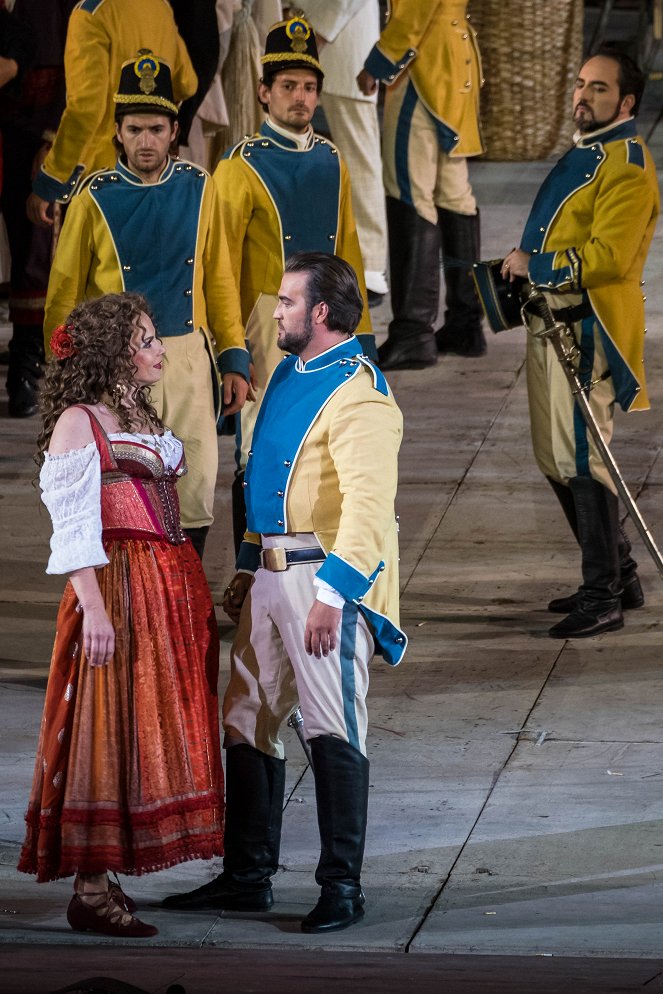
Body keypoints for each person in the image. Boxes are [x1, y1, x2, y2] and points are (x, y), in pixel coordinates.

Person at [163, 252, 406, 934]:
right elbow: (260, 480)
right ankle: (247, 877)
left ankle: (342, 889)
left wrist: (335, 596)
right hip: (271, 577)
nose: (274, 312)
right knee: (246, 722)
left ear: (320, 313)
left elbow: (367, 507)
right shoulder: (290, 374)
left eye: (287, 302)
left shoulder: (360, 394)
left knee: (332, 728)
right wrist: (246, 567)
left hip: (321, 580)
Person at [17, 292, 225, 938]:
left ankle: (105, 878)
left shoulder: (134, 409)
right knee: (103, 727)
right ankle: (87, 884)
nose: (159, 348)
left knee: (145, 725)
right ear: (114, 352)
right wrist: (95, 610)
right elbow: (73, 528)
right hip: (119, 584)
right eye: (145, 340)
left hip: (168, 585)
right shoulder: (81, 422)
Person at [43, 51, 250, 558]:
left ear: (174, 129)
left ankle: (187, 589)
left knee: (197, 481)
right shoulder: (94, 196)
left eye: (156, 129)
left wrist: (234, 358)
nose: (145, 141)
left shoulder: (200, 187)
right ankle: (138, 597)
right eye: (134, 129)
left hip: (187, 358)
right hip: (117, 366)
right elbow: (64, 294)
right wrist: (66, 374)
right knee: (128, 487)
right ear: (117, 131)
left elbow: (219, 279)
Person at [501, 48, 660, 639]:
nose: (583, 96)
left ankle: (604, 596)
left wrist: (534, 264)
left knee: (583, 459)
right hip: (552, 322)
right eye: (580, 85)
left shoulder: (627, 164)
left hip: (586, 328)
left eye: (598, 89)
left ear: (626, 103)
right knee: (555, 457)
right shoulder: (587, 152)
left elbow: (610, 259)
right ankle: (620, 574)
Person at [212, 16, 375, 551]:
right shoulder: (237, 168)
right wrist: (233, 352)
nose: (300, 98)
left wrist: (365, 341)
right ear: (264, 92)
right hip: (268, 322)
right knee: (260, 447)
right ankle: (250, 570)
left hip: (330, 325)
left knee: (325, 444)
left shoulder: (332, 159)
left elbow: (348, 253)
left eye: (308, 87)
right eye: (288, 87)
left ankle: (310, 566)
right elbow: (220, 270)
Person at [358, 0, 485, 368]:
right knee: (453, 194)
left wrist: (380, 62)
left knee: (409, 193)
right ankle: (465, 323)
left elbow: (415, 8)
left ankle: (413, 332)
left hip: (423, 69)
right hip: (452, 60)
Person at [26, 0, 197, 227]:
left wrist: (51, 181)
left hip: (100, 177)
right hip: (153, 170)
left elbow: (85, 109)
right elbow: (187, 83)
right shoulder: (160, 6)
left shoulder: (91, 14)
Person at [0, 0, 76, 417]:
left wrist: (52, 138)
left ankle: (25, 367)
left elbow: (74, 64)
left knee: (34, 248)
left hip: (35, 129)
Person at [289, 1, 389, 303]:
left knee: (361, 163)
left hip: (344, 52)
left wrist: (316, 33)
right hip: (304, 45)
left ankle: (370, 268)